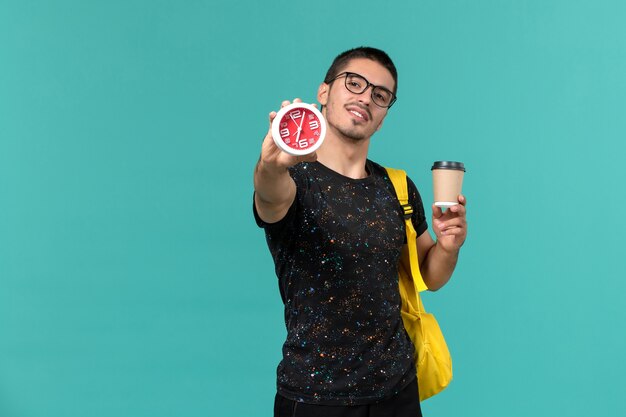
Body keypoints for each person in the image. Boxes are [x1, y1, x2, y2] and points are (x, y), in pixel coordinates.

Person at [253, 47, 467, 417]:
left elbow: (430, 277)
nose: (365, 97)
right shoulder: (295, 180)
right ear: (324, 92)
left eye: (380, 95)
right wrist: (271, 164)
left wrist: (448, 245)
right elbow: (270, 196)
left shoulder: (397, 186)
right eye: (354, 83)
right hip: (314, 398)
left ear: (383, 117)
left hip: (397, 391)